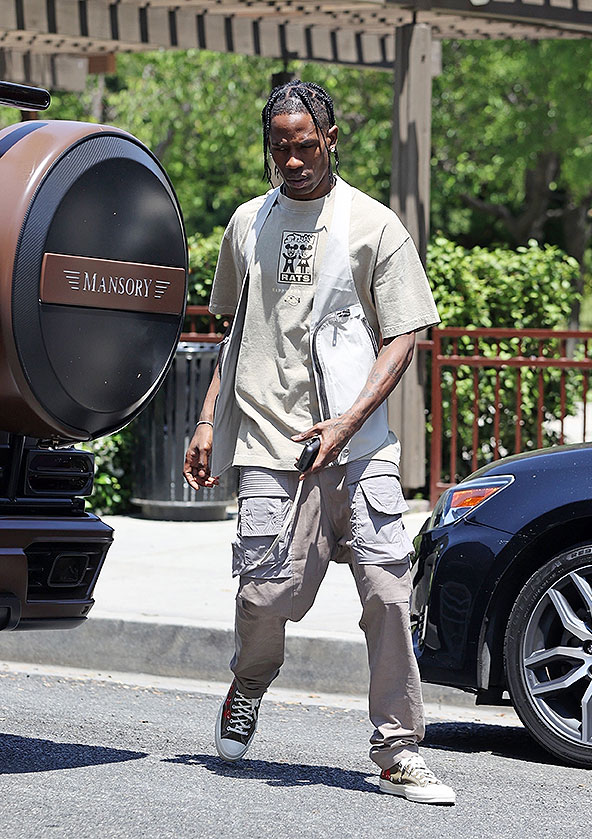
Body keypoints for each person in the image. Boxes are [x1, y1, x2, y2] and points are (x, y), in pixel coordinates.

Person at [183, 79, 455, 806]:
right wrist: (210, 418)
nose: (294, 158)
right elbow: (237, 332)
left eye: (306, 144)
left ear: (331, 139)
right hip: (272, 445)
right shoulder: (246, 223)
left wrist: (347, 421)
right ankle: (247, 684)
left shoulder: (374, 225)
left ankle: (397, 749)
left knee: (389, 593)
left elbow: (404, 336)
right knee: (265, 595)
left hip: (359, 445)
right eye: (281, 147)